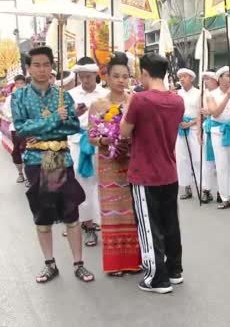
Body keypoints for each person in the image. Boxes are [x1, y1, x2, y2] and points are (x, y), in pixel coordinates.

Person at [11, 46, 94, 284]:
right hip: (36, 160)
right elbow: (22, 129)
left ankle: (78, 263)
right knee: (43, 213)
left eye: (46, 64)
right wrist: (53, 120)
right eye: (36, 65)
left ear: (52, 67)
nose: (42, 69)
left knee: (71, 211)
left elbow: (72, 127)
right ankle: (50, 264)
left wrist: (48, 126)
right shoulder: (19, 97)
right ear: (28, 68)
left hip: (60, 158)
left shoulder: (62, 96)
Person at [120, 53, 184, 294]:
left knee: (149, 226)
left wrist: (128, 104)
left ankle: (156, 278)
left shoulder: (140, 100)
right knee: (170, 223)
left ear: (145, 73)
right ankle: (174, 269)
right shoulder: (177, 100)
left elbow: (125, 131)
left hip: (144, 173)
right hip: (169, 171)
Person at [88, 52, 141, 276]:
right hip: (108, 164)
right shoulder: (97, 104)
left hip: (133, 162)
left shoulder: (135, 101)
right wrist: (104, 140)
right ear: (107, 77)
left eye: (125, 76)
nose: (121, 80)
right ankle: (115, 264)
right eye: (116, 76)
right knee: (112, 211)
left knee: (132, 211)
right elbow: (90, 135)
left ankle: (134, 260)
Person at [68, 56, 109, 246]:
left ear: (96, 75)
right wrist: (74, 114)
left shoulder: (105, 94)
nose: (85, 81)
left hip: (102, 141)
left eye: (88, 77)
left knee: (102, 182)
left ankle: (105, 222)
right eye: (81, 77)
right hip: (79, 142)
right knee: (83, 182)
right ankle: (88, 225)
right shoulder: (71, 95)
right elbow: (65, 121)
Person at [206, 66, 230, 209]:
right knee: (222, 165)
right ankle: (225, 197)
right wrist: (227, 97)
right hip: (218, 131)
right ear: (219, 78)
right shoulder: (211, 94)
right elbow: (214, 113)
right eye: (227, 75)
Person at [175, 68, 202, 200]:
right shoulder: (176, 94)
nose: (182, 79)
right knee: (182, 159)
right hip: (180, 129)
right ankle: (186, 187)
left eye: (184, 76)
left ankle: (202, 188)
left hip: (194, 128)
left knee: (197, 158)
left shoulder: (199, 93)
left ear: (191, 78)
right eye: (180, 77)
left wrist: (190, 123)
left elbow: (202, 114)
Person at [199, 69, 220, 204]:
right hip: (207, 129)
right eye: (204, 79)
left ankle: (222, 191)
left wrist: (210, 112)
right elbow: (199, 113)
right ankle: (206, 190)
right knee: (207, 162)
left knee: (221, 163)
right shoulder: (203, 94)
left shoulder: (222, 93)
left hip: (220, 129)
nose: (206, 81)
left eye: (208, 78)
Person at [2, 74, 27, 184]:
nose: (20, 85)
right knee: (17, 150)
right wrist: (14, 117)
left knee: (29, 151)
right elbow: (5, 110)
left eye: (22, 83)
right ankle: (20, 174)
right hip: (15, 128)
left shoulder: (30, 96)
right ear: (15, 85)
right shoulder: (10, 98)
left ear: (25, 84)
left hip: (28, 127)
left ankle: (29, 176)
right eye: (18, 84)